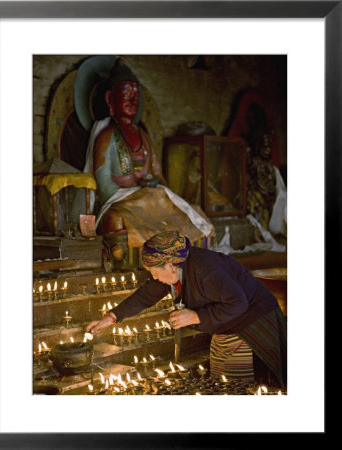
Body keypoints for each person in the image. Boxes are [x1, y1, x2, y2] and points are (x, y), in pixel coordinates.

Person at [87, 230, 287, 388]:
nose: (154, 277)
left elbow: (238, 303)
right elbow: (146, 294)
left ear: (170, 266)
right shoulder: (175, 268)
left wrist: (196, 316)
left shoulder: (206, 270)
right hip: (227, 325)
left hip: (251, 322)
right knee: (222, 379)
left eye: (154, 272)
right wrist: (111, 317)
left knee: (241, 385)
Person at [82, 59, 213, 261]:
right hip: (122, 203)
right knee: (115, 222)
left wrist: (158, 189)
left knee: (195, 214)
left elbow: (158, 174)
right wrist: (137, 192)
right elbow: (104, 184)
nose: (133, 101)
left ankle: (186, 257)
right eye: (126, 95)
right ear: (110, 100)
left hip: (151, 202)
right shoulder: (106, 137)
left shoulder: (143, 136)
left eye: (136, 96)